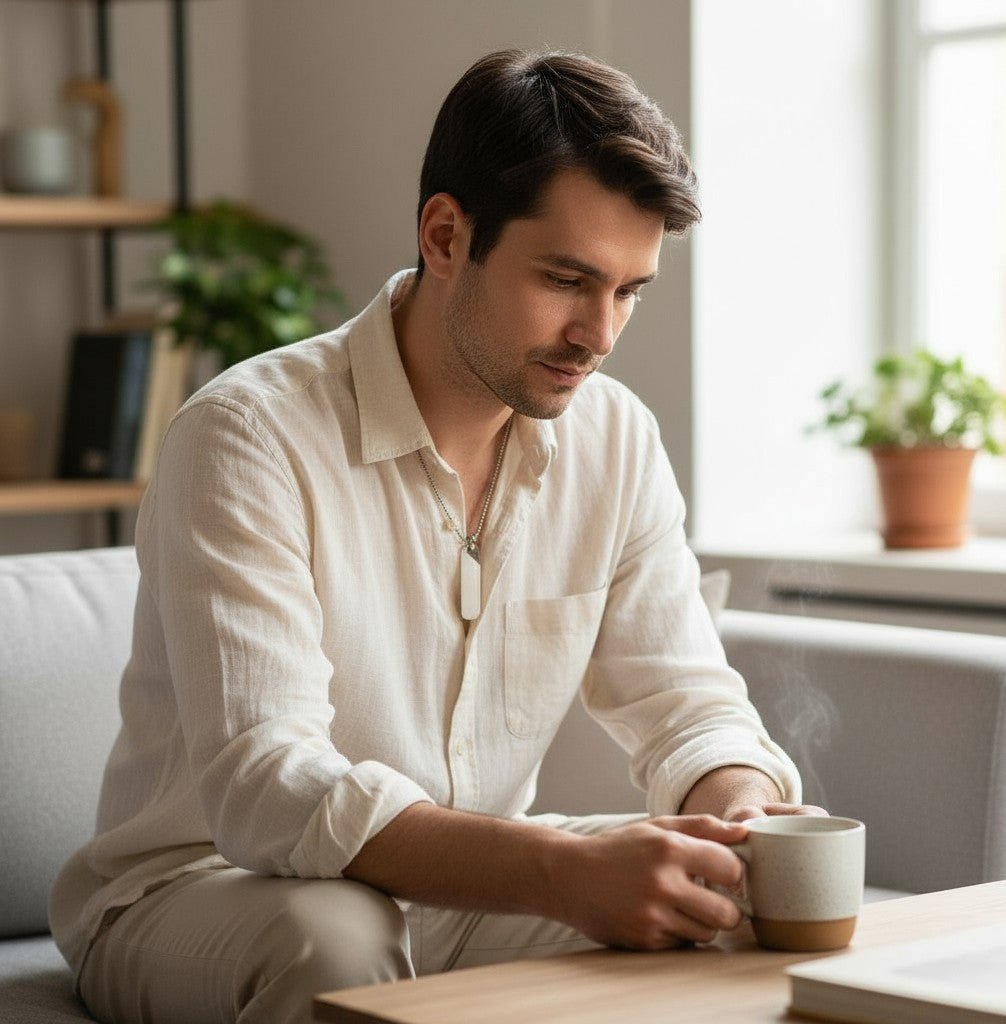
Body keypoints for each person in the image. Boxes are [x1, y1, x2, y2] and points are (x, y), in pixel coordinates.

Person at [51, 49, 818, 1024]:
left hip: (465, 892)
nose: (600, 333)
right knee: (337, 937)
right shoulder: (246, 435)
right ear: (446, 234)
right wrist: (561, 869)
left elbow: (688, 704)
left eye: (629, 290)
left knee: (706, 905)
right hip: (198, 890)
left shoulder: (614, 437)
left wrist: (738, 810)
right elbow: (269, 786)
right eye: (567, 279)